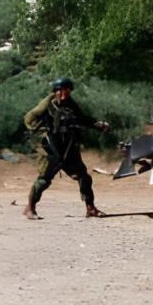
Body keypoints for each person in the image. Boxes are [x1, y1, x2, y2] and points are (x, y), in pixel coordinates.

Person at [22, 77, 111, 220]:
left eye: (67, 90)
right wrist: (37, 127)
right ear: (56, 91)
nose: (64, 94)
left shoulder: (71, 104)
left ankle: (90, 208)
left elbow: (82, 118)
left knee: (84, 177)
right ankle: (30, 208)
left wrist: (99, 125)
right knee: (43, 180)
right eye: (61, 91)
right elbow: (29, 117)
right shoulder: (47, 104)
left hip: (69, 148)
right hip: (52, 149)